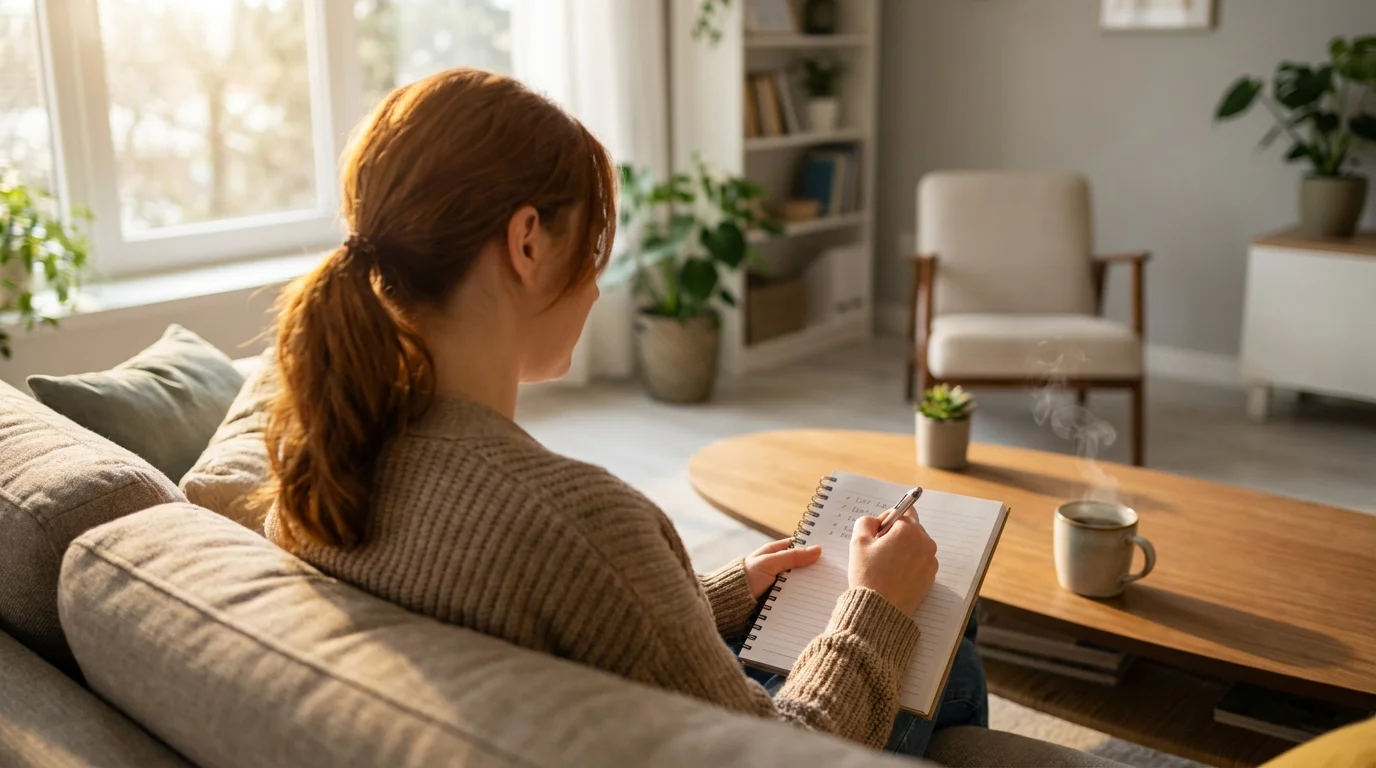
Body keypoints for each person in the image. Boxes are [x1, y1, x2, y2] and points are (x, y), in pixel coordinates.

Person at [259, 67, 988, 756]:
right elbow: (781, 752)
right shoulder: (577, 519)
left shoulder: (321, 456)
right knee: (949, 649)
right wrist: (875, 605)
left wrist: (718, 594)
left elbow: (571, 614)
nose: (599, 287)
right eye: (595, 244)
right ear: (526, 242)